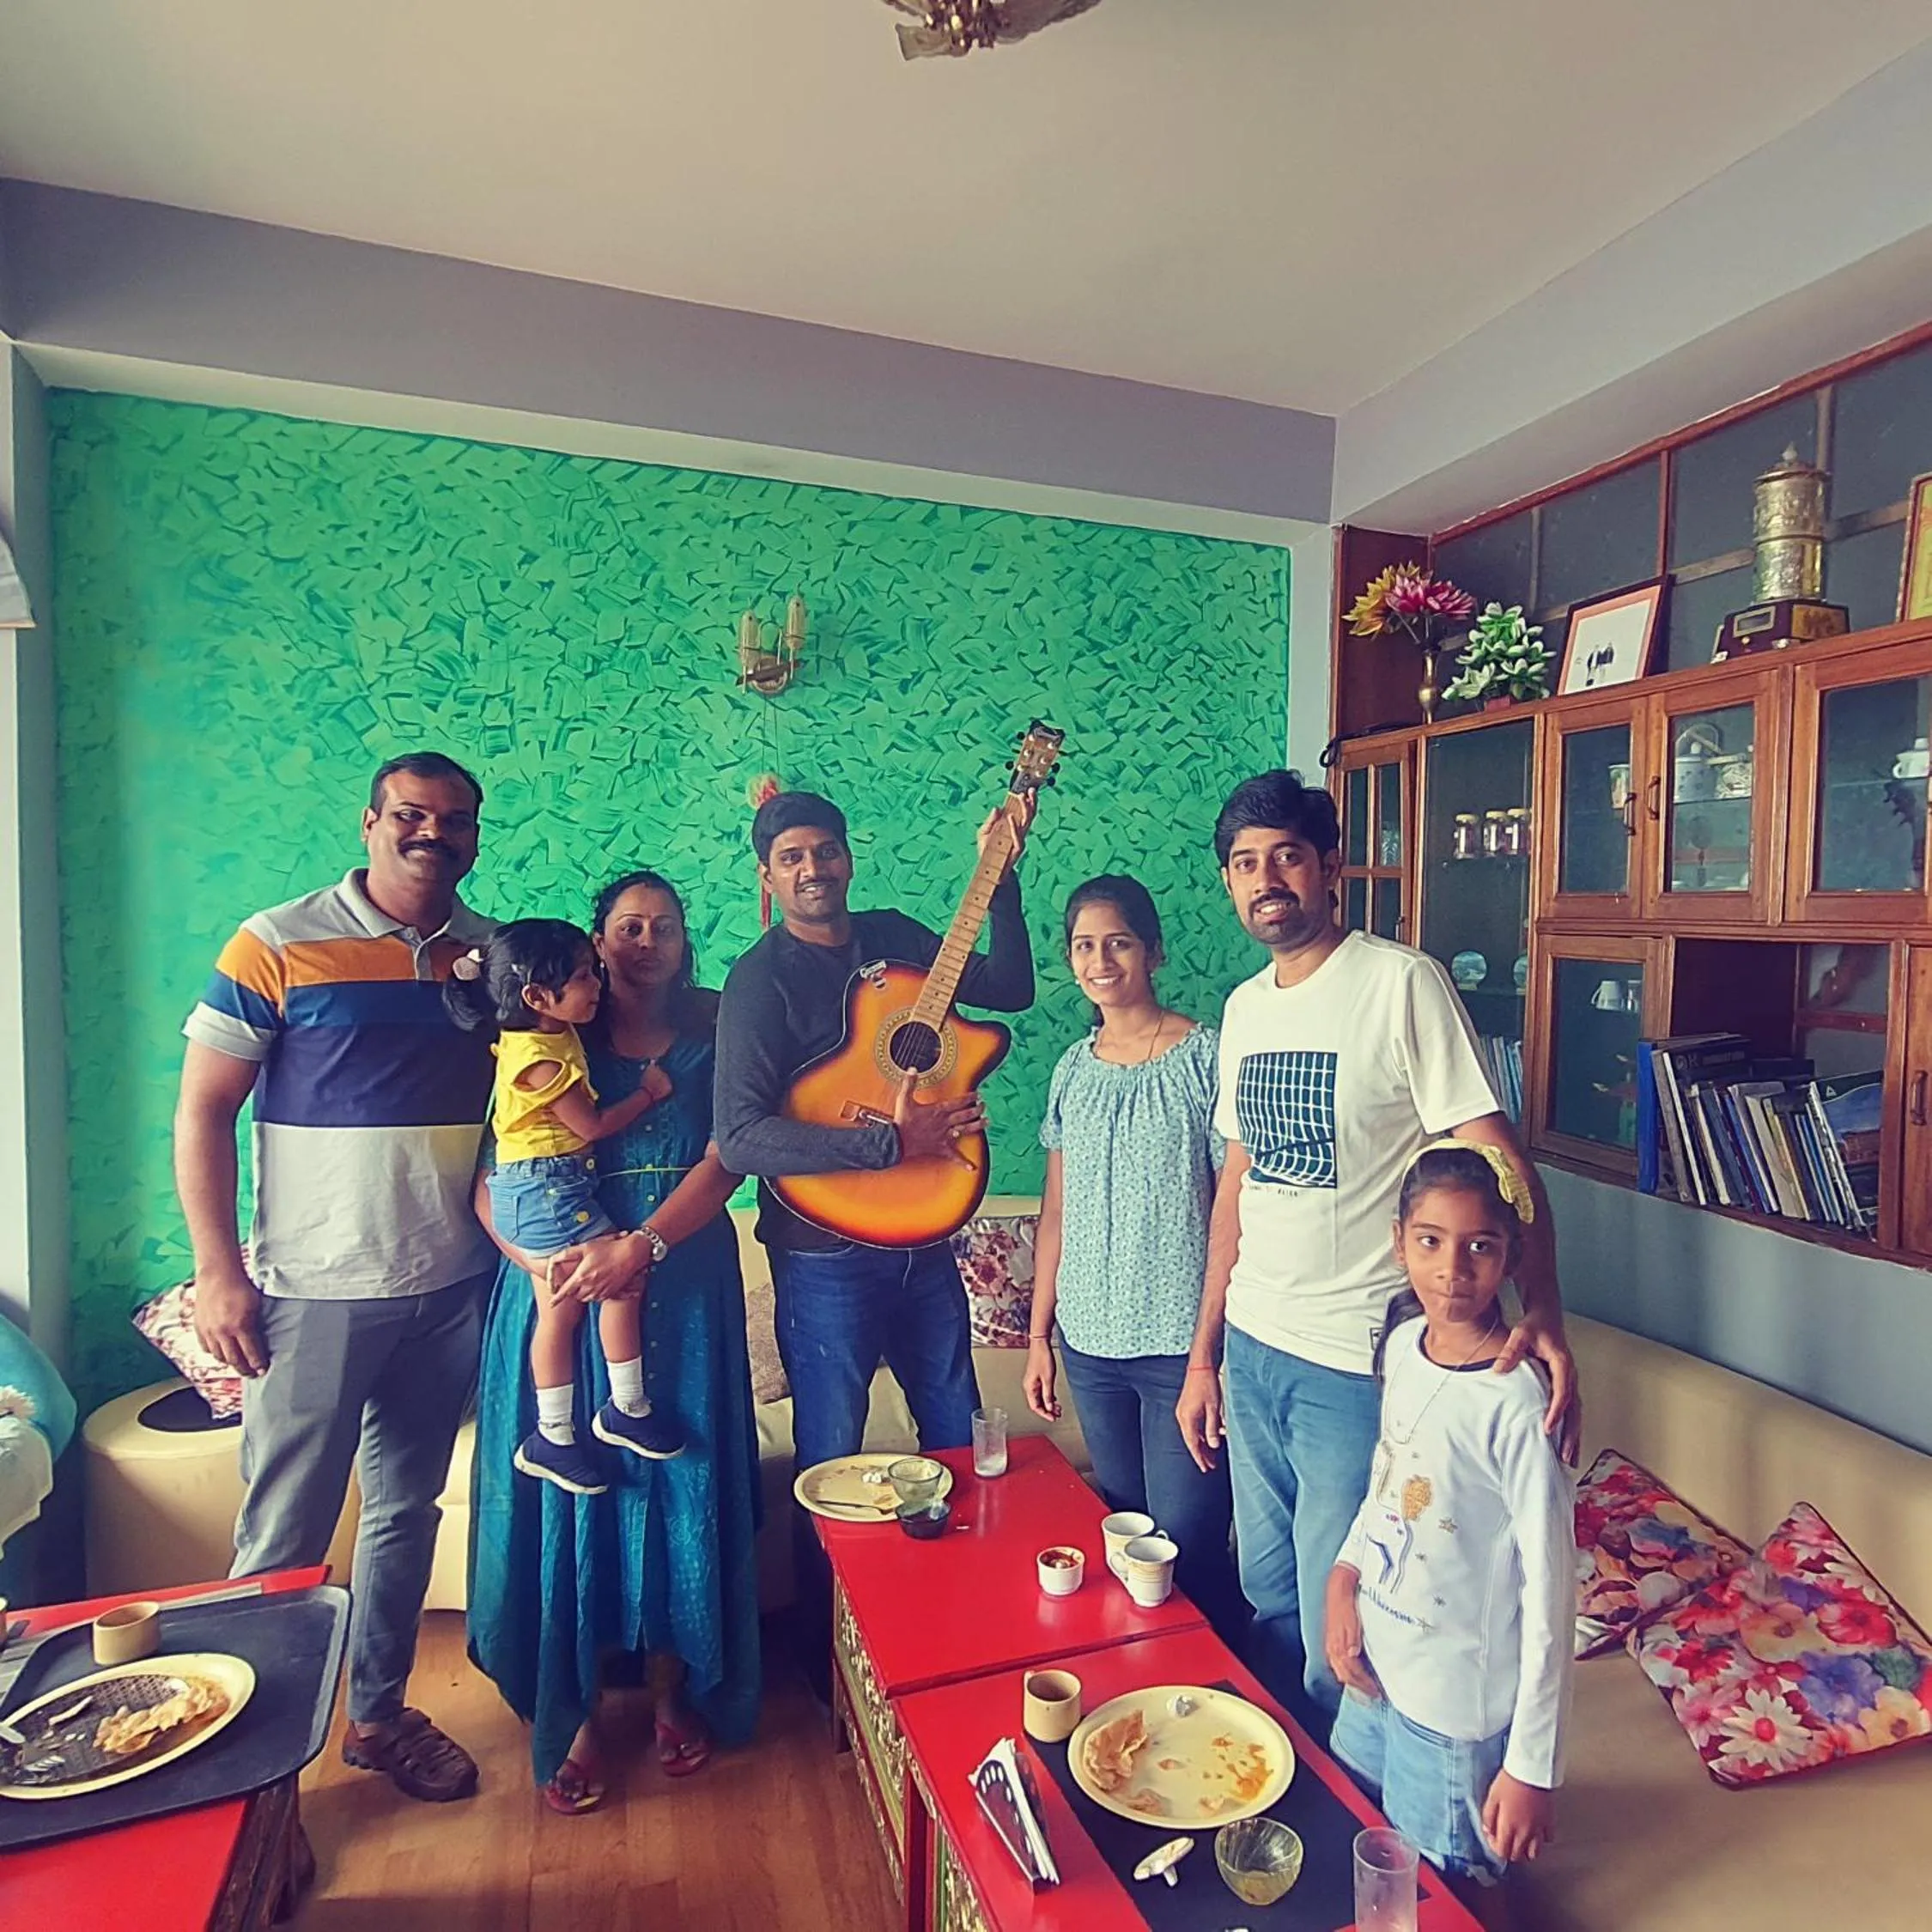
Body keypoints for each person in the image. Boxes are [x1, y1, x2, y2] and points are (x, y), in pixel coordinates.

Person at [1176, 769, 1577, 1722]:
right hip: (1256, 1350)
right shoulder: (1244, 1010)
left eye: (1286, 857)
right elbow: (1238, 1185)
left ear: (1330, 870)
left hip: (1352, 1363)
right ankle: (1284, 1786)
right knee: (1267, 1595)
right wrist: (1206, 1353)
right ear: (1229, 883)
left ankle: (1350, 1814)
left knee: (1338, 1624)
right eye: (1245, 864)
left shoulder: (1400, 983)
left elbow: (1501, 1166)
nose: (1266, 878)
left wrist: (1546, 1308)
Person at [178, 751, 495, 1802]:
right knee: (283, 1538)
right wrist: (218, 1273)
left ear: (474, 839)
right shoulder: (275, 943)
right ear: (370, 823)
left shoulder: (488, 957)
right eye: (411, 814)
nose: (431, 833)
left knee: (409, 1514)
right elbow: (202, 1112)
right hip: (311, 1291)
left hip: (451, 1287)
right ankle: (245, 1787)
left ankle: (378, 1714)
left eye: (453, 820)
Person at [713, 789, 1035, 1674]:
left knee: (957, 1441)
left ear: (849, 856)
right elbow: (738, 1136)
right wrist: (888, 1141)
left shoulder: (894, 935)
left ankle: (969, 1623)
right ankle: (833, 1664)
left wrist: (1001, 876)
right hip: (824, 1259)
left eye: (826, 851)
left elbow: (1008, 988)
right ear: (770, 878)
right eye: (792, 859)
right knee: (832, 1460)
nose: (813, 869)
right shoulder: (759, 978)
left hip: (925, 1246)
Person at [468, 871, 760, 1813]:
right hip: (560, 1290)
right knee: (575, 1506)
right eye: (627, 927)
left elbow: (728, 1162)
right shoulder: (545, 1043)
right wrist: (541, 1264)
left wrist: (643, 1244)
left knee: (680, 1487)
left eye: (665, 927)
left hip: (681, 1288)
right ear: (597, 944)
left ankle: (677, 1691)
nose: (645, 942)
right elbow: (492, 1177)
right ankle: (578, 1710)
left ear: (685, 943)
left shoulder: (718, 1043)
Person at [1326, 1141, 1573, 1929]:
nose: (1452, 1270)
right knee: (1358, 1852)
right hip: (1378, 1673)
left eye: (1481, 1247)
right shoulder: (1402, 1347)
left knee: (1454, 1900)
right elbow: (1387, 1482)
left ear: (1511, 1258)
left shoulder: (1515, 1403)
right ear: (1398, 1241)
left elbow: (1551, 1596)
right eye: (1430, 1242)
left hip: (1455, 1715)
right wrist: (1344, 1578)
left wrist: (1532, 1766)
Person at [1021, 875, 1241, 1636]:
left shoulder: (1203, 1057)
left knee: (1188, 1546)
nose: (1100, 959)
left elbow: (1230, 1213)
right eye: (1084, 945)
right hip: (1090, 1346)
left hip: (1183, 1350)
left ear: (1152, 951)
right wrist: (1039, 1335)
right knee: (1124, 1534)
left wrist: (1210, 1349)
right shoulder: (1072, 1070)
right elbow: (1057, 1212)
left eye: (1117, 942)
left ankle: (1224, 1704)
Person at [445, 918, 686, 1494]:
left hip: (538, 1189)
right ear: (535, 996)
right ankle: (625, 1406)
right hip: (547, 1191)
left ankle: (554, 1435)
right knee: (623, 1280)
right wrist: (648, 1094)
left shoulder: (544, 1031)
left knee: (560, 1310)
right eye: (583, 976)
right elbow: (593, 1126)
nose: (596, 984)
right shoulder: (544, 1061)